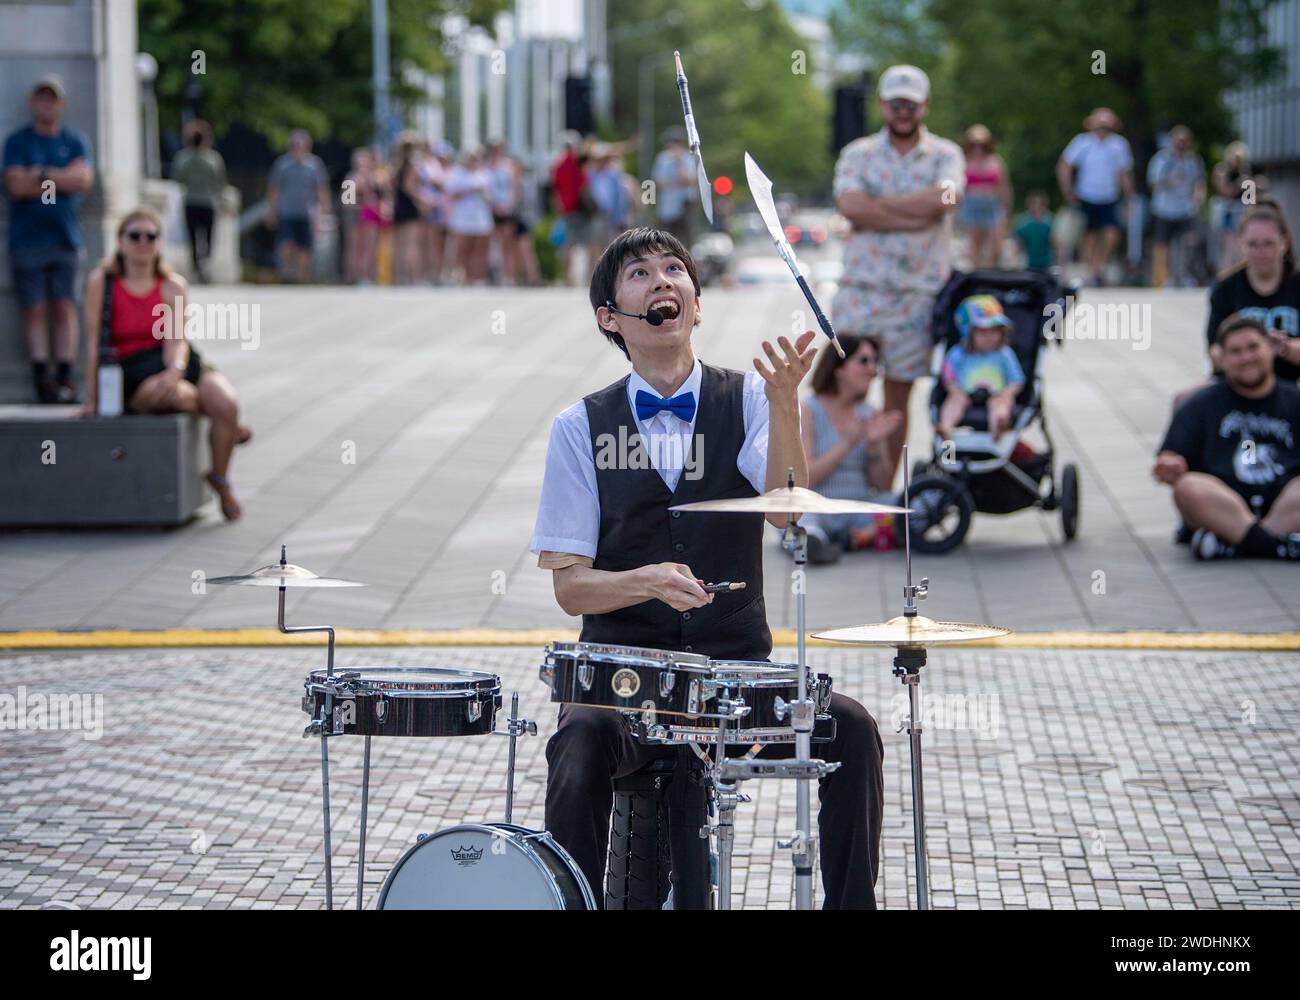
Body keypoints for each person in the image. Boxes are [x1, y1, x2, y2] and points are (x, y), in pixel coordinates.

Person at [530, 227, 885, 909]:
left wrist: (786, 401)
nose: (662, 280)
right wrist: (644, 580)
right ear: (611, 316)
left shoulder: (749, 399)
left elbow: (787, 511)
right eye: (639, 274)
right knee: (578, 739)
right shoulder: (579, 426)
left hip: (734, 678)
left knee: (854, 727)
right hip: (626, 682)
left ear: (696, 305)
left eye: (675, 269)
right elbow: (571, 588)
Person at [831, 64, 965, 486]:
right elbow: (850, 206)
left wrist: (880, 209)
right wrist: (914, 214)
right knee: (844, 390)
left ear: (924, 105)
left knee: (897, 398)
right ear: (882, 105)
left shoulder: (945, 153)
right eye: (895, 103)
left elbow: (944, 199)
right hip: (861, 289)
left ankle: (883, 489)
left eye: (911, 104)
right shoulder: (858, 152)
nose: (903, 111)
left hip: (917, 293)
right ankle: (839, 482)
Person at [79, 208, 251, 520]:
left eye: (151, 236)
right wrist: (91, 400)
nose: (143, 242)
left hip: (176, 360)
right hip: (132, 367)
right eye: (135, 235)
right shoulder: (102, 282)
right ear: (120, 242)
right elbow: (93, 342)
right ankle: (228, 428)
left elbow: (176, 339)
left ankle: (221, 479)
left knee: (226, 402)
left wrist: (175, 371)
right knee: (173, 397)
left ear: (159, 243)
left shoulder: (172, 285)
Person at [1154, 315, 1300, 560]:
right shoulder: (1199, 403)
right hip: (1223, 505)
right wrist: (1168, 466)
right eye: (1236, 351)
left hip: (1282, 504)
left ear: (1270, 348)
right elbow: (1170, 454)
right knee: (1188, 487)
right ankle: (1279, 545)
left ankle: (1233, 544)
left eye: (1253, 347)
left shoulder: (1295, 400)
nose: (1246, 358)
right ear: (1221, 359)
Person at [3, 74, 94, 404]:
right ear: (32, 102)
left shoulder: (75, 140)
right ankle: (43, 378)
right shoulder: (18, 141)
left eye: (52, 99)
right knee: (35, 310)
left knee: (64, 307)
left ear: (62, 104)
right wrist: (58, 176)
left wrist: (39, 175)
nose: (46, 104)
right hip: (27, 239)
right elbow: (15, 186)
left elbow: (83, 180)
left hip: (64, 238)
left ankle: (66, 376)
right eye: (41, 98)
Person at [798, 335, 903, 564]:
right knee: (799, 514)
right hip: (820, 506)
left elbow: (883, 484)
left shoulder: (869, 413)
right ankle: (815, 542)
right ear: (839, 368)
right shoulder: (809, 409)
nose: (872, 369)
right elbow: (806, 479)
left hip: (859, 507)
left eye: (875, 362)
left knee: (906, 503)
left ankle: (854, 538)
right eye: (864, 361)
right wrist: (846, 443)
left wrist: (876, 446)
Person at [1205, 202, 1299, 384]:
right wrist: (1246, 355)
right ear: (1241, 243)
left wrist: (1283, 347)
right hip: (1236, 384)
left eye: (1268, 244)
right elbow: (1214, 350)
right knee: (1183, 401)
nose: (1261, 252)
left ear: (1284, 243)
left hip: (1288, 385)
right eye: (1253, 244)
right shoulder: (1226, 288)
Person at [1057, 108, 1133, 287]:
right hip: (1086, 195)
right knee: (1089, 235)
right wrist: (1068, 190)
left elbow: (1124, 173)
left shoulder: (1119, 145)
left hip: (1109, 196)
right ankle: (1091, 271)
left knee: (1111, 234)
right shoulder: (1082, 143)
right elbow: (1065, 165)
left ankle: (1100, 266)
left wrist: (1129, 198)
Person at [936, 294, 1025, 440]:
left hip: (996, 393)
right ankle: (946, 427)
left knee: (1001, 403)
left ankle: (998, 426)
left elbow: (1016, 379)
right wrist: (954, 389)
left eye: (994, 331)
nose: (989, 336)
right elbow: (948, 376)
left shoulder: (1004, 353)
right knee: (955, 400)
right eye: (982, 332)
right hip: (965, 393)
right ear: (968, 332)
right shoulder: (958, 353)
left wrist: (1008, 393)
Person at [266, 129, 330, 284]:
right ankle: (288, 272)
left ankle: (300, 276)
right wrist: (271, 210)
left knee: (304, 246)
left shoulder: (314, 165)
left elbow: (321, 190)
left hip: (307, 212)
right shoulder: (282, 164)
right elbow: (274, 189)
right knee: (286, 243)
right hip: (286, 210)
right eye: (295, 145)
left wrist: (322, 212)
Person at [1146, 126, 1205, 288]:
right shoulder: (1162, 159)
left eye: (1184, 141)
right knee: (1163, 245)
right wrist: (1169, 181)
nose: (1181, 144)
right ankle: (1163, 278)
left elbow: (1199, 181)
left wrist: (1198, 196)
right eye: (1178, 141)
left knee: (1188, 243)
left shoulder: (1193, 160)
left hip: (1185, 209)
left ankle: (1184, 275)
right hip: (1163, 209)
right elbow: (1153, 183)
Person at [170, 119, 227, 283]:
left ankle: (197, 266)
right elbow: (219, 182)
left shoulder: (183, 157)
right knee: (208, 236)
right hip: (207, 202)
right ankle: (204, 265)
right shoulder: (213, 158)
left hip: (191, 202)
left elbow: (178, 178)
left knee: (194, 237)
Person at [957, 124, 1011, 269]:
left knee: (996, 246)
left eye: (981, 143)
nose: (977, 147)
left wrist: (1007, 208)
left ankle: (990, 274)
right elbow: (951, 185)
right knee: (975, 247)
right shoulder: (962, 160)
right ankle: (977, 277)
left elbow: (1004, 185)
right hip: (971, 205)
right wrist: (948, 206)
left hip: (992, 205)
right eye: (974, 143)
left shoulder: (996, 160)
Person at [487, 140, 538, 286]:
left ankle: (515, 276)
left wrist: (508, 206)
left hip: (512, 212)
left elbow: (516, 192)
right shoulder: (491, 167)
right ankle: (505, 276)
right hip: (499, 210)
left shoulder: (512, 170)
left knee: (513, 245)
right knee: (501, 244)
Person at [444, 146, 493, 285]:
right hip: (462, 217)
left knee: (479, 249)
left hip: (480, 216)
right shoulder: (457, 173)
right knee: (462, 249)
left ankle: (477, 278)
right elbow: (451, 194)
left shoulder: (485, 173)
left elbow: (490, 196)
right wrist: (470, 189)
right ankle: (461, 276)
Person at [1210, 142, 1259, 272]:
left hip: (1241, 212)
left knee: (1241, 246)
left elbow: (1249, 197)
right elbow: (1225, 191)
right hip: (1228, 213)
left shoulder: (1245, 172)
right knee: (1229, 246)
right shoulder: (1222, 170)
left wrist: (1253, 185)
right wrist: (1239, 184)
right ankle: (1226, 274)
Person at [550, 131, 590, 284]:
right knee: (581, 243)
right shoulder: (576, 163)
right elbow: (584, 186)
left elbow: (554, 189)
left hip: (565, 209)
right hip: (578, 209)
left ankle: (567, 276)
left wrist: (558, 207)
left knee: (567, 244)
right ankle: (576, 277)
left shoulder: (558, 164)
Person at [651, 127, 697, 247]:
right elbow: (659, 182)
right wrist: (677, 183)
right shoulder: (662, 159)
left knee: (686, 237)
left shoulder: (688, 158)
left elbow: (690, 181)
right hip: (667, 207)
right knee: (668, 238)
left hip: (685, 203)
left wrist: (679, 163)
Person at [1013, 191, 1055, 273]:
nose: (1036, 207)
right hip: (1028, 264)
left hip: (1047, 264)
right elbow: (1018, 245)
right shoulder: (1022, 222)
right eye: (1033, 204)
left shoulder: (1051, 222)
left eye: (1039, 205)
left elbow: (1056, 244)